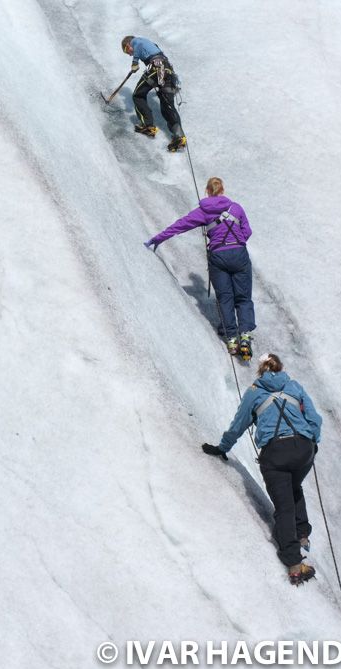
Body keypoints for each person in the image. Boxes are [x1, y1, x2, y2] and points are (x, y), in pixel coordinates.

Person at [201, 353, 322, 585]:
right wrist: (312, 443)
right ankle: (302, 533)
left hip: (275, 452)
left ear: (260, 370)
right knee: (294, 485)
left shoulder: (254, 392)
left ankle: (294, 564)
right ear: (280, 367)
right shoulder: (294, 386)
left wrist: (222, 447)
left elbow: (239, 424)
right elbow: (314, 419)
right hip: (303, 448)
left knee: (284, 504)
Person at [143, 177, 256, 358]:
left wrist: (158, 238)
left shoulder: (203, 211)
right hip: (239, 253)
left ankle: (232, 340)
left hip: (218, 256)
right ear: (222, 189)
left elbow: (180, 225)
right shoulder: (236, 208)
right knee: (243, 298)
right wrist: (238, 241)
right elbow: (247, 231)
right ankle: (245, 337)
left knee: (225, 298)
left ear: (207, 191)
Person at [121, 35, 186, 152]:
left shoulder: (136, 41)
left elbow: (138, 46)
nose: (130, 54)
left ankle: (148, 125)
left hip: (156, 68)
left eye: (127, 51)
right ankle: (179, 137)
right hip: (167, 71)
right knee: (167, 105)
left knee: (137, 95)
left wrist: (135, 62)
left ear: (128, 45)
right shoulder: (151, 44)